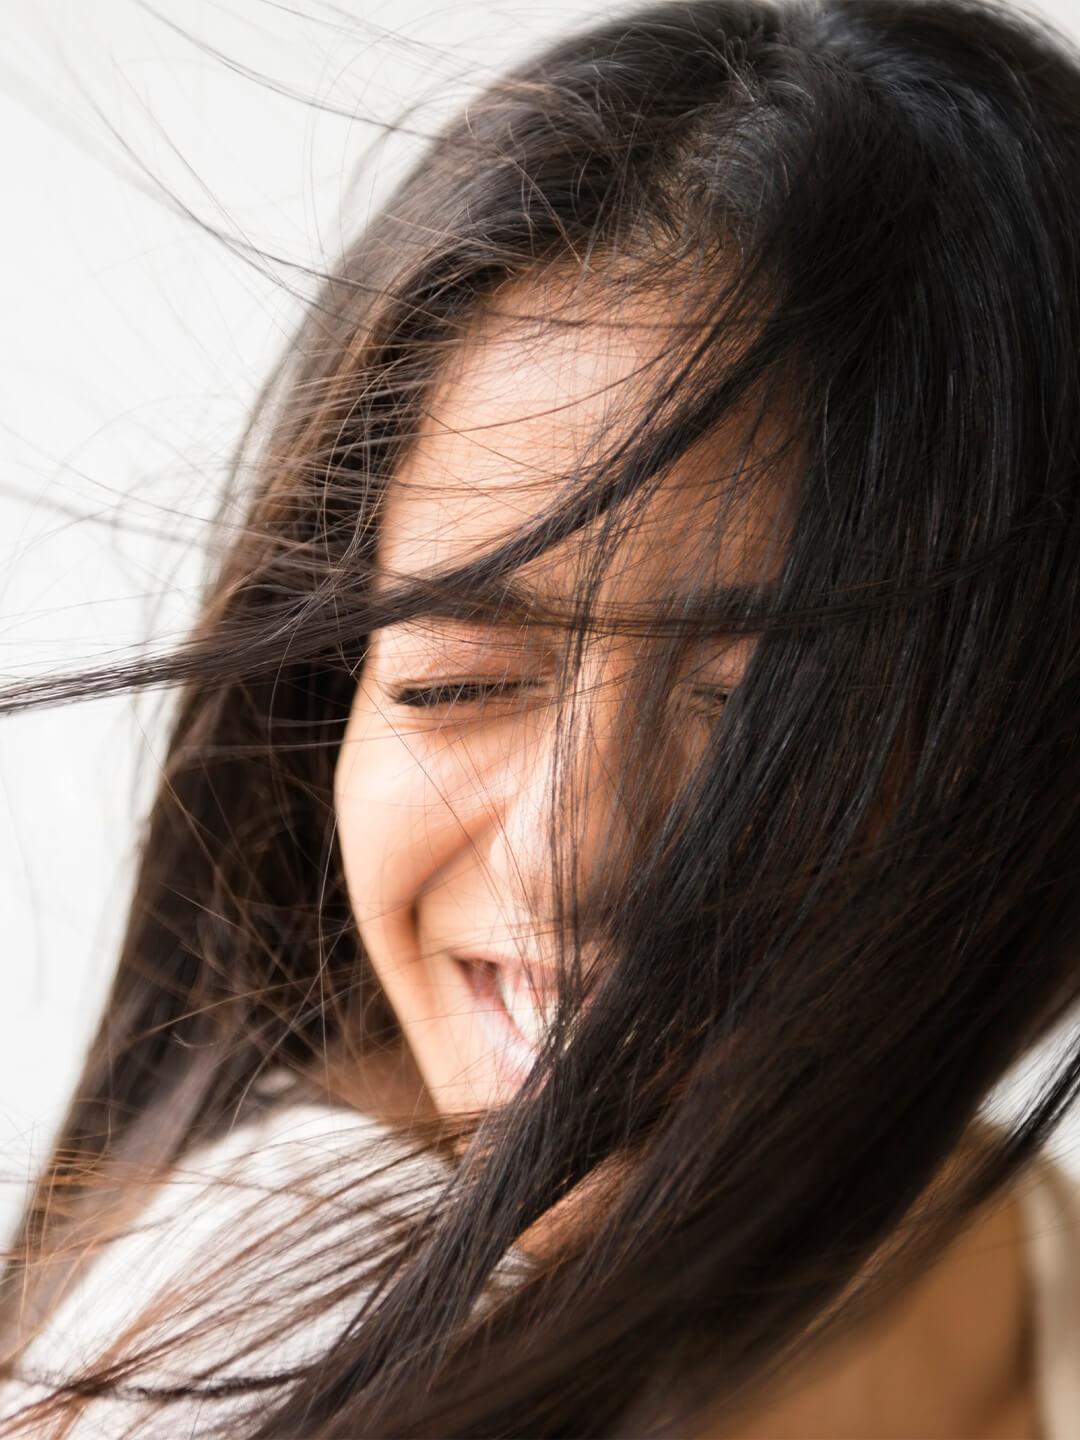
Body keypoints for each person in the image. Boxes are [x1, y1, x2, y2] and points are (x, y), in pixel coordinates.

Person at [2, 0, 1080, 1433]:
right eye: (451, 682)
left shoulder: (1010, 1233)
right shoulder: (288, 1320)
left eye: (763, 716)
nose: (569, 858)